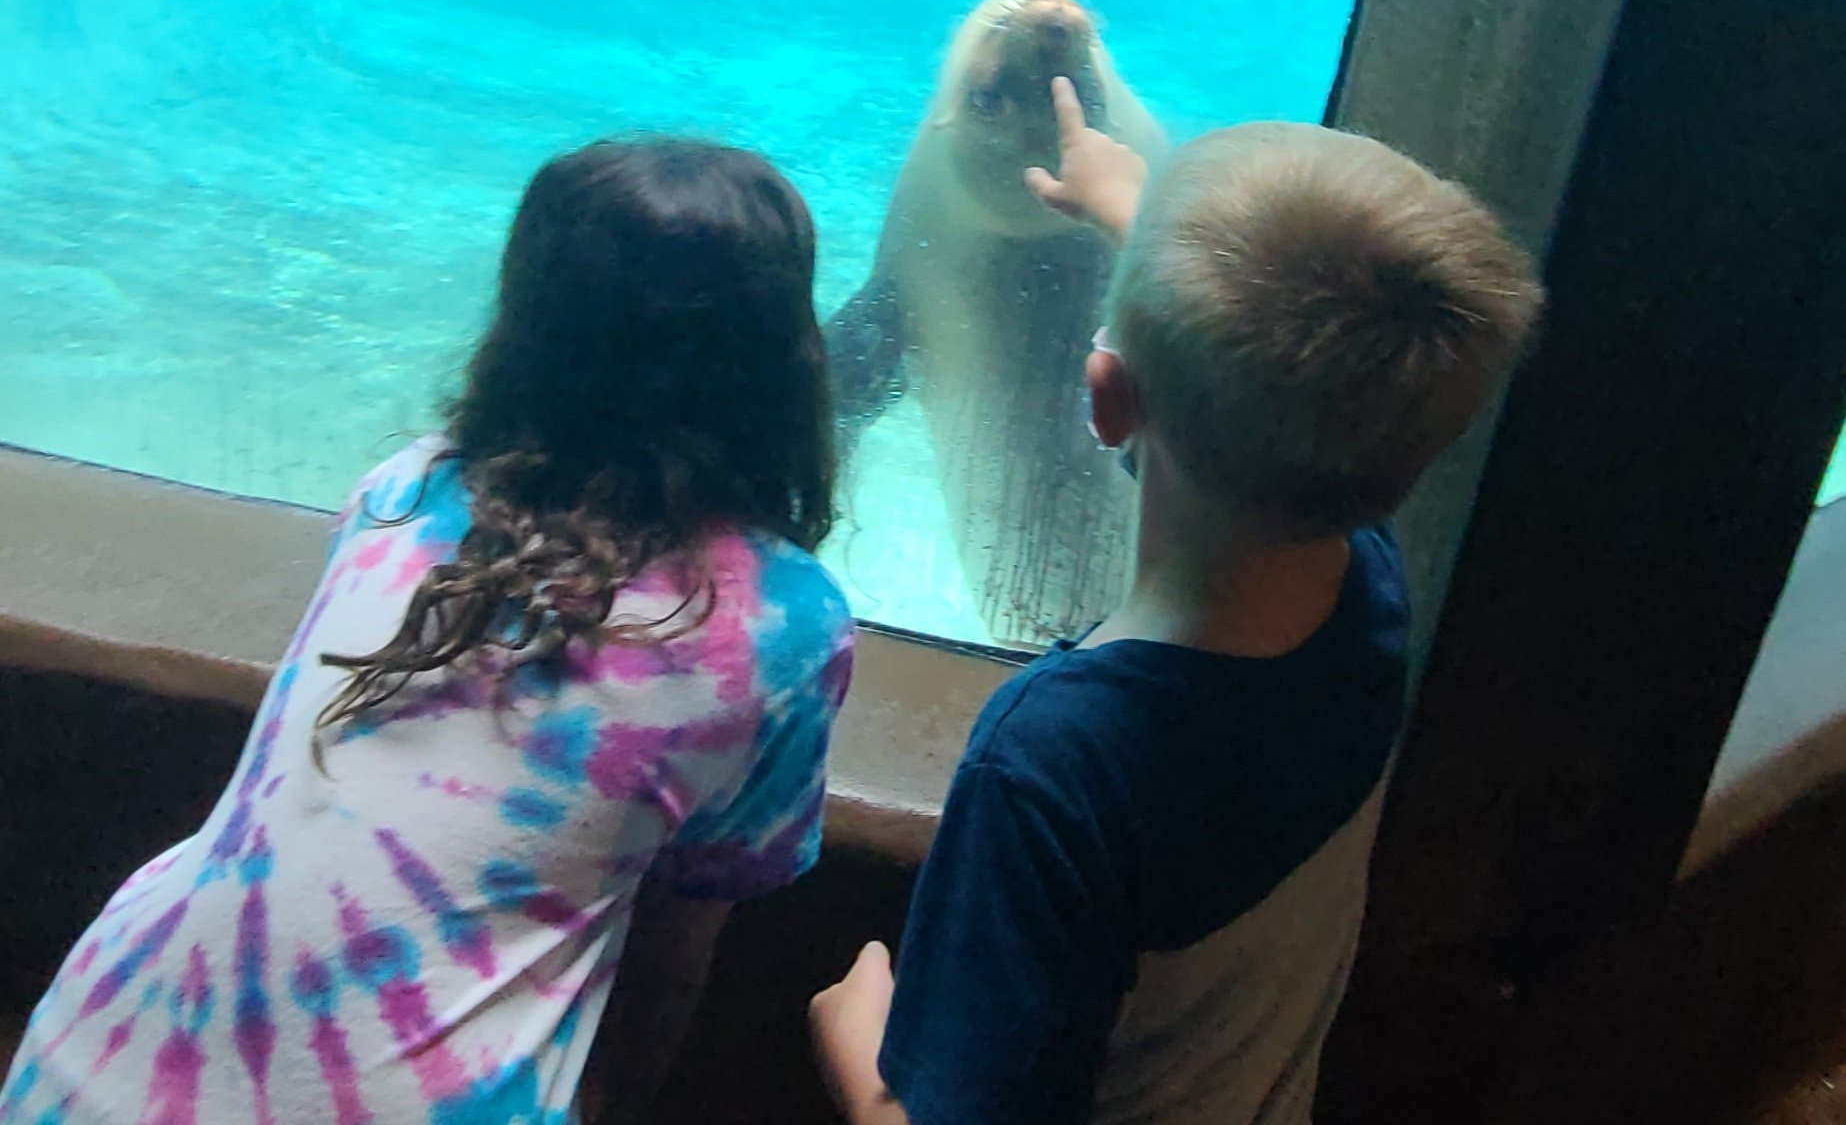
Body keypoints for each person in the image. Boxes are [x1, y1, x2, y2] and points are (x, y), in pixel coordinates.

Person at [0, 139, 856, 1125]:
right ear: (781, 361)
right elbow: (673, 956)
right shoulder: (784, 624)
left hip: (78, 1068)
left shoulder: (405, 491)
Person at [810, 80, 1542, 1125]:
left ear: (1104, 398)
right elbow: (1299, 389)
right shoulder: (1369, 588)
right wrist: (1132, 208)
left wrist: (859, 1059)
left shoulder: (1056, 764)